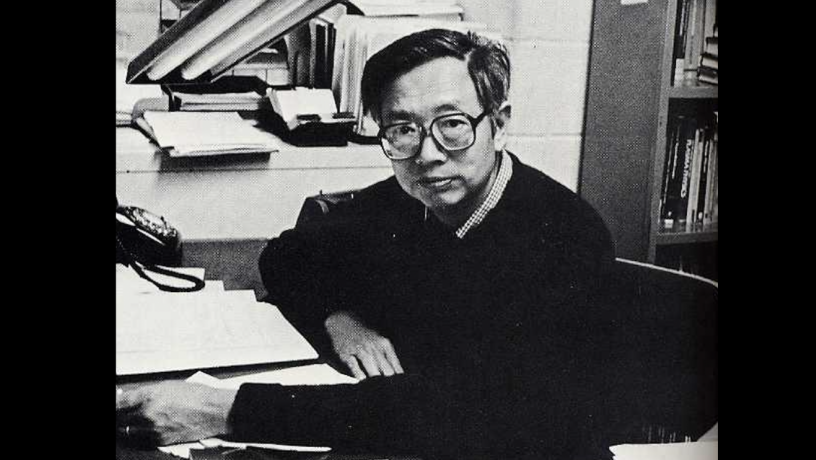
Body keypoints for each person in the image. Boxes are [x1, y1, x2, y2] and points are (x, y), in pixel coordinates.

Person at [117, 28, 628, 459]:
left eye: (452, 125)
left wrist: (224, 409)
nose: (427, 153)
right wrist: (339, 316)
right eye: (402, 129)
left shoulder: (564, 237)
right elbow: (287, 256)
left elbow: (465, 411)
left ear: (499, 124)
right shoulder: (408, 200)